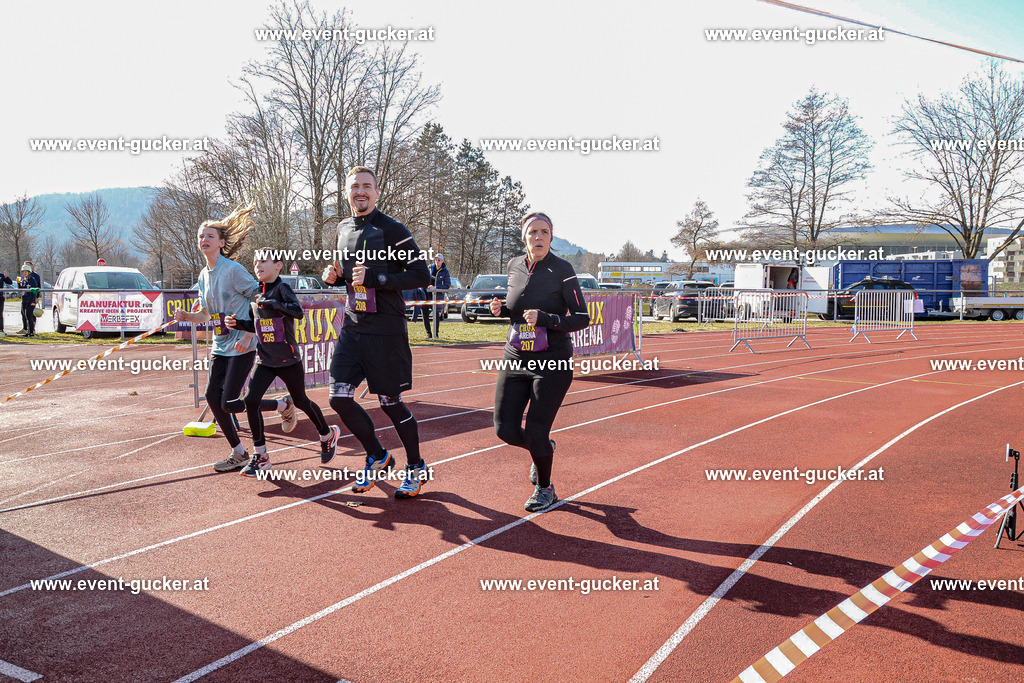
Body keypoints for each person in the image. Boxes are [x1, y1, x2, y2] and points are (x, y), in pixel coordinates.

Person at [321, 166, 432, 499]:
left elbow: (421, 275)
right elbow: (350, 276)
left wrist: (378, 279)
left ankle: (416, 467)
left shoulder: (393, 230)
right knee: (338, 396)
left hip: (386, 330)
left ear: (377, 192)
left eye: (367, 186)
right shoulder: (342, 228)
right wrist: (335, 277)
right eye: (355, 187)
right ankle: (378, 456)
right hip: (353, 326)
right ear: (346, 192)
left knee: (390, 403)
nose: (361, 192)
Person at [173, 204, 297, 472]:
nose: (204, 240)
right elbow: (207, 314)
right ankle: (239, 453)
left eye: (209, 236)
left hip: (243, 343)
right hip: (221, 344)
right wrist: (187, 316)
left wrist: (251, 335)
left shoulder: (233, 270)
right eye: (201, 237)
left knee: (229, 402)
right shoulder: (204, 275)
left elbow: (260, 299)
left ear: (221, 243)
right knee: (212, 397)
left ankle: (282, 403)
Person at [490, 212, 589, 512]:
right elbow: (516, 309)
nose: (539, 238)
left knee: (535, 430)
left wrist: (547, 319)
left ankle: (545, 488)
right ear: (524, 236)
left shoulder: (562, 269)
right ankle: (543, 449)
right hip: (516, 356)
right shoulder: (513, 266)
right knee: (504, 430)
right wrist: (501, 310)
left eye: (544, 232)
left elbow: (582, 318)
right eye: (533, 232)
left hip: (553, 361)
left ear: (551, 236)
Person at [225, 251, 341, 476]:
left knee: (301, 401)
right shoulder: (258, 293)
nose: (258, 265)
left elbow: (297, 313)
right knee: (250, 400)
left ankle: (327, 434)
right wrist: (239, 324)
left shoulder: (282, 289)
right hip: (266, 359)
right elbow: (260, 325)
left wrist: (274, 302)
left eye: (263, 261)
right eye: (255, 261)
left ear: (278, 265)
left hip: (288, 359)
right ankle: (261, 455)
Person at [421, 253, 451, 337]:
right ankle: (428, 334)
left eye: (439, 260)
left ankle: (435, 334)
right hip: (426, 295)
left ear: (442, 261)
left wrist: (436, 287)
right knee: (424, 313)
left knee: (436, 315)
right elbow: (423, 278)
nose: (437, 261)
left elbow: (447, 285)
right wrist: (427, 286)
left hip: (437, 296)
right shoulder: (430, 268)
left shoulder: (445, 271)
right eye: (436, 259)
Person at [17, 262, 41, 337]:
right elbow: (21, 289)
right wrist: (18, 283)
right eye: (23, 272)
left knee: (29, 316)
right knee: (25, 315)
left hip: (30, 300)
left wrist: (33, 301)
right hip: (24, 300)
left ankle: (31, 332)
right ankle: (28, 331)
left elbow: (34, 291)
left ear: (29, 272)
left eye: (25, 272)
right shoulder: (24, 280)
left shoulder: (32, 280)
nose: (24, 273)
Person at [0, 270, 12, 335]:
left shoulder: (1, 275)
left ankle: (1, 330)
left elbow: (10, 282)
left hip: (0, 297)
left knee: (0, 314)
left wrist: (6, 277)